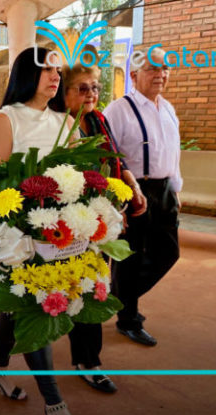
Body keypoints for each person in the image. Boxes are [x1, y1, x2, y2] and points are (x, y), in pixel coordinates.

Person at [0, 46, 87, 415]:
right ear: (26, 74)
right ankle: (55, 403)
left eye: (57, 71)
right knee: (35, 308)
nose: (54, 77)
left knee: (15, 304)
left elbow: (80, 179)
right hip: (18, 236)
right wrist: (17, 225)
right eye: (45, 70)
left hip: (59, 236)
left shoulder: (64, 122)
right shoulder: (7, 119)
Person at [61, 61, 148, 393]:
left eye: (95, 87)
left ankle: (87, 358)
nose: (91, 94)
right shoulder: (59, 126)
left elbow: (118, 160)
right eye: (82, 88)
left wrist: (133, 188)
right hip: (71, 222)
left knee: (95, 288)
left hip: (103, 220)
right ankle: (84, 360)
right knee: (75, 289)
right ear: (64, 92)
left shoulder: (97, 119)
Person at [103, 47, 182, 347]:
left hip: (163, 190)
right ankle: (128, 319)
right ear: (134, 75)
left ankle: (120, 296)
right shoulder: (118, 109)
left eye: (164, 69)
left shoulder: (168, 109)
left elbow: (173, 153)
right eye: (152, 69)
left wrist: (176, 187)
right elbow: (110, 157)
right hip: (133, 191)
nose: (160, 75)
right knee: (130, 257)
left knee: (168, 252)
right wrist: (116, 199)